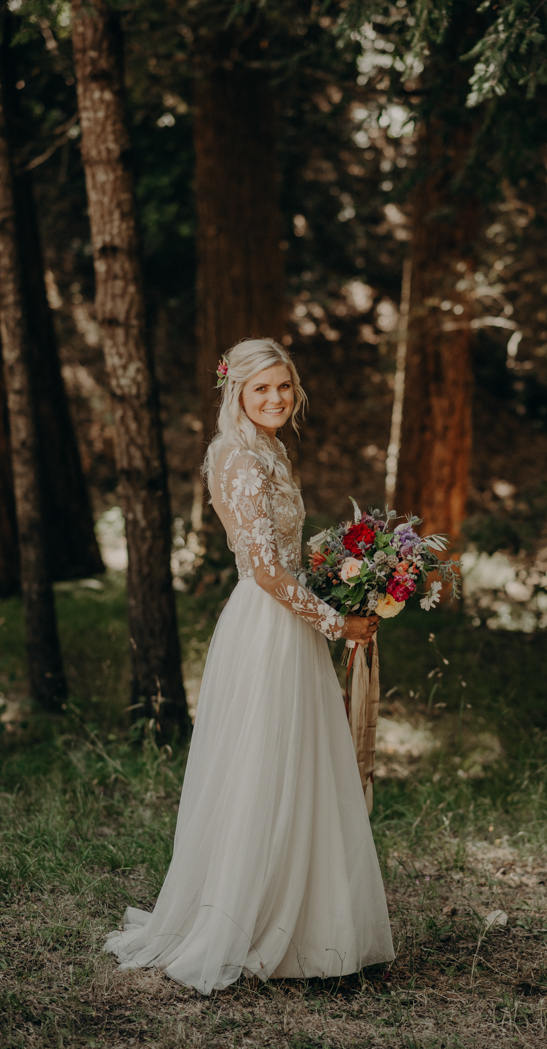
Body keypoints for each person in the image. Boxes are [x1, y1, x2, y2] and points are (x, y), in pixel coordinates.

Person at [104, 338, 395, 994]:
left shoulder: (271, 448)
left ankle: (312, 925)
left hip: (290, 617)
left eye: (283, 387)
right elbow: (263, 569)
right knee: (261, 765)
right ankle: (247, 918)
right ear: (235, 390)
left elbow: (287, 555)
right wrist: (335, 622)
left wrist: (343, 577)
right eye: (261, 388)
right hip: (268, 625)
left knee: (300, 764)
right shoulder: (235, 456)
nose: (275, 399)